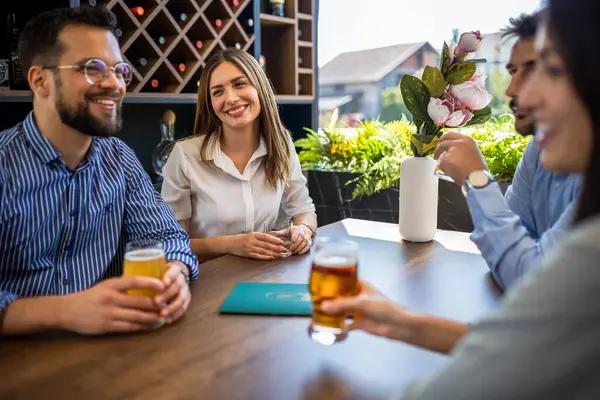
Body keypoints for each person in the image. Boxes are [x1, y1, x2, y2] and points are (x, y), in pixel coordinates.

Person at [322, 1, 600, 397]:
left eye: (549, 70)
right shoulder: (542, 154)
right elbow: (532, 342)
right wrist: (399, 322)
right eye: (516, 72)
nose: (520, 93)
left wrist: (477, 178)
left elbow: (527, 274)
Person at [0, 6, 199, 337]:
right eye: (91, 68)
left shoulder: (119, 158)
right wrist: (66, 311)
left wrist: (175, 272)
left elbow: (169, 237)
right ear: (39, 80)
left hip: (108, 355)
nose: (114, 84)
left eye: (119, 70)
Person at [434, 11, 582, 290]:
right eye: (514, 72)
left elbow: (530, 279)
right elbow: (508, 252)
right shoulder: (538, 150)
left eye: (536, 70)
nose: (513, 90)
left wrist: (477, 179)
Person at [160, 48, 317, 263]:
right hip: (208, 282)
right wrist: (232, 244)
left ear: (259, 87)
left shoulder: (282, 145)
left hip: (267, 276)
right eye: (218, 92)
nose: (231, 98)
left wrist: (303, 230)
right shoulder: (185, 156)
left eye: (239, 84)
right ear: (210, 103)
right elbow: (170, 241)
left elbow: (304, 209)